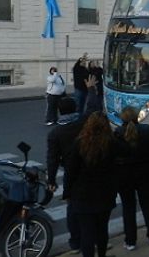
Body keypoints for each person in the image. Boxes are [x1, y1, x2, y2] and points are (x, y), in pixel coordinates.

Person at [65, 112, 120, 257]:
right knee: (102, 230)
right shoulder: (112, 143)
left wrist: (67, 192)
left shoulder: (80, 143)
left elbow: (71, 170)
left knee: (86, 232)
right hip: (104, 193)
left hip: (82, 194)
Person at [115, 106, 149, 251]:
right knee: (147, 204)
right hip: (145, 172)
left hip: (124, 175)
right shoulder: (147, 130)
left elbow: (112, 155)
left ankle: (130, 240)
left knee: (128, 208)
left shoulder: (117, 133)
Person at [46, 96, 84, 254]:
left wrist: (51, 180)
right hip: (90, 170)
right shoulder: (84, 124)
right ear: (75, 108)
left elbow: (52, 159)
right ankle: (93, 239)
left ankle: (75, 243)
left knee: (73, 209)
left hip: (71, 173)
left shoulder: (55, 133)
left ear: (60, 112)